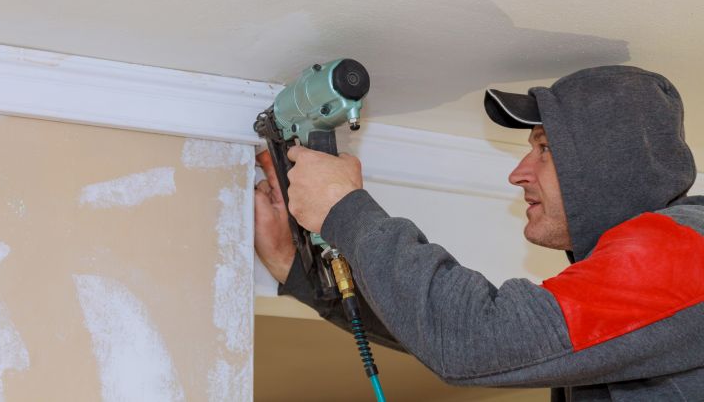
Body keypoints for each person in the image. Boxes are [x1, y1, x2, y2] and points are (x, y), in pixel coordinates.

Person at [254, 65, 704, 401]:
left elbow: (475, 339)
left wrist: (345, 210)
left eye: (544, 149)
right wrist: (301, 274)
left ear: (608, 164)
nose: (518, 174)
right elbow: (462, 336)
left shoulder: (687, 251)